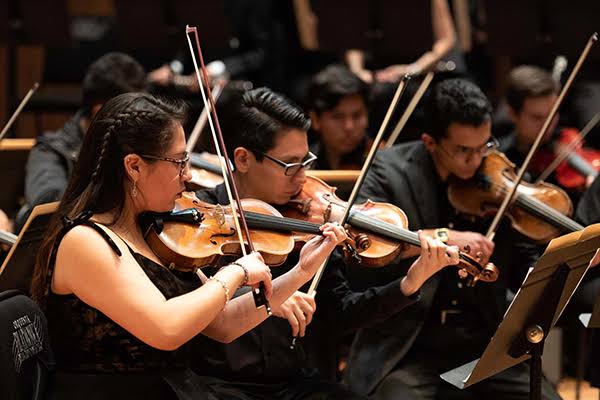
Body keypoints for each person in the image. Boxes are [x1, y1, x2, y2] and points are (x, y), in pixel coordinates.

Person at [30, 92, 348, 399]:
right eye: (180, 161)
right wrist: (235, 272)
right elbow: (166, 328)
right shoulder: (85, 240)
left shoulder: (151, 231)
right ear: (134, 166)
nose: (190, 175)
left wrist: (301, 272)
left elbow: (223, 324)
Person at [188, 87, 462, 399]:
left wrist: (410, 283)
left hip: (292, 384)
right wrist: (264, 296)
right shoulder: (201, 221)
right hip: (218, 385)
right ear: (243, 158)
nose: (303, 178)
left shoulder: (312, 222)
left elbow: (341, 313)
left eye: (306, 161)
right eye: (291, 165)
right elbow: (186, 297)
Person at [343, 78, 561, 399]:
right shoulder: (388, 172)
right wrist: (445, 237)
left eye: (484, 146)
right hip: (413, 347)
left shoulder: (500, 177)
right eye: (462, 151)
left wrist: (542, 273)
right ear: (430, 141)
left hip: (486, 344)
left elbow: (528, 254)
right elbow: (363, 244)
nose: (476, 161)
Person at [18, 52, 148, 232]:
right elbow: (48, 205)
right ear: (101, 111)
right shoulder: (51, 150)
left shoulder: (135, 145)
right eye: (132, 114)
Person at [307, 64, 372, 170]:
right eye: (337, 117)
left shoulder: (382, 164)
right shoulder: (305, 164)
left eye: (357, 116)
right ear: (315, 120)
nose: (349, 127)